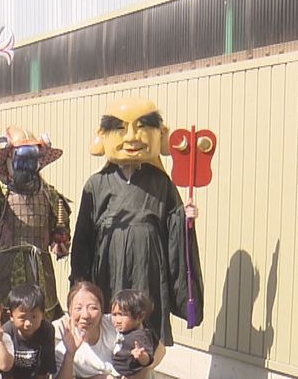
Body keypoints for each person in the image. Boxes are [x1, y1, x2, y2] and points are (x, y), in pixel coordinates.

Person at [70, 99, 203, 350]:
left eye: (142, 127)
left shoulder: (161, 182)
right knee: (110, 316)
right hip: (108, 265)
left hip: (148, 265)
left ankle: (144, 374)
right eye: (120, 129)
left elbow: (173, 225)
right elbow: (83, 238)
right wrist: (80, 280)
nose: (131, 137)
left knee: (145, 315)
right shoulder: (96, 184)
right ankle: (109, 376)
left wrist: (185, 218)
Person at [0, 126, 72, 318]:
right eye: (20, 160)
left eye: (30, 160)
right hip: (7, 273)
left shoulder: (51, 195)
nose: (26, 166)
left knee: (42, 319)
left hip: (41, 272)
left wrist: (61, 241)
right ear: (8, 160)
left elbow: (61, 235)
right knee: (8, 322)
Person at [109, 289, 175, 379]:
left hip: (139, 373)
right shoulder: (122, 329)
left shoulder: (140, 335)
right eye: (114, 314)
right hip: (123, 374)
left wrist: (141, 356)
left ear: (139, 316)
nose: (117, 320)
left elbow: (148, 359)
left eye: (122, 315)